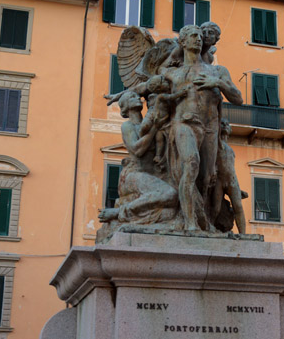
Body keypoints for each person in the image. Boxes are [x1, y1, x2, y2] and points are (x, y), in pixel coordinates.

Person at [162, 25, 242, 231]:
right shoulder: (173, 73)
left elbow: (238, 98)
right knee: (191, 163)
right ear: (183, 42)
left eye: (200, 36)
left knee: (206, 178)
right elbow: (151, 81)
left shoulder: (217, 71)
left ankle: (203, 220)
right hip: (185, 123)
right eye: (193, 36)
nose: (198, 39)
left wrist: (218, 83)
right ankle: (189, 223)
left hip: (209, 127)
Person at [98, 90, 179, 226]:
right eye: (132, 97)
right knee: (170, 194)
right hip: (133, 176)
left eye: (136, 96)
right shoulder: (128, 126)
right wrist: (153, 129)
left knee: (171, 211)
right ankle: (119, 212)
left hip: (152, 174)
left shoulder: (151, 122)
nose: (137, 98)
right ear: (125, 107)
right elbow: (137, 150)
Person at [212, 119, 247, 233]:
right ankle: (210, 228)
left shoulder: (230, 150)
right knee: (215, 209)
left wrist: (239, 188)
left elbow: (231, 169)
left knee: (238, 207)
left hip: (232, 180)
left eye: (227, 124)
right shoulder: (214, 145)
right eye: (222, 124)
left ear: (230, 129)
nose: (225, 126)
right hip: (219, 180)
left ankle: (243, 234)